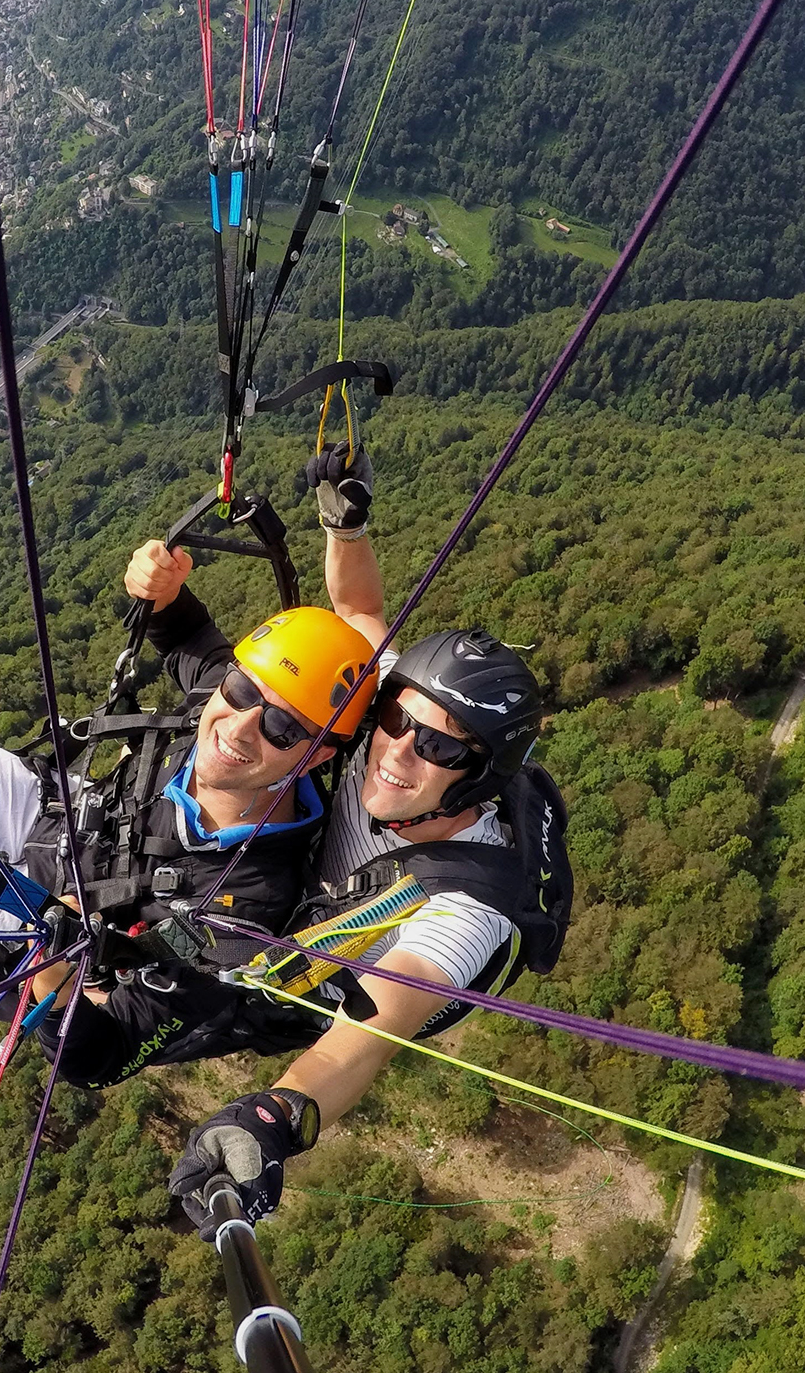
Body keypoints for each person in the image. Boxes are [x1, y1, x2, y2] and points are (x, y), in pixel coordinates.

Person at [140, 444, 575, 1232]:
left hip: (317, 971)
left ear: (475, 776)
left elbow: (373, 1027)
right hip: (305, 876)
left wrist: (273, 1120)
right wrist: (346, 528)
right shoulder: (403, 723)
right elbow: (359, 621)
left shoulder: (465, 910)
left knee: (129, 1002)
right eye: (391, 721)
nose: (397, 750)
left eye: (438, 748)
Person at [0, 538, 378, 1003]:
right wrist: (162, 588)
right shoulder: (223, 698)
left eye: (281, 728)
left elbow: (134, 1010)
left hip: (61, 916)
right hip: (76, 818)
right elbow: (185, 634)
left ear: (319, 754)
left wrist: (72, 957)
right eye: (242, 688)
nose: (239, 725)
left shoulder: (249, 892)